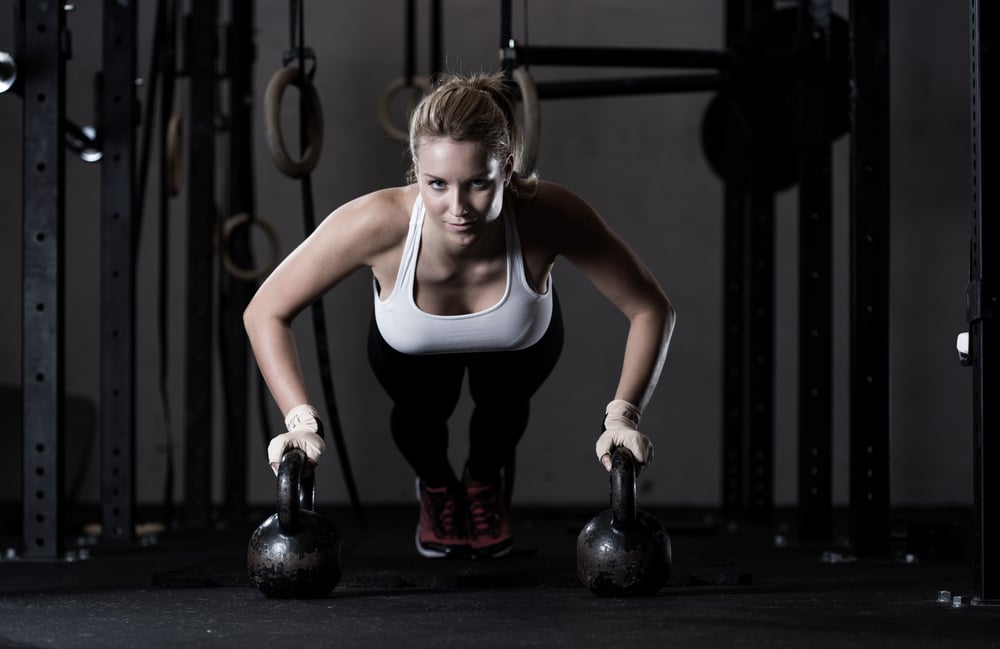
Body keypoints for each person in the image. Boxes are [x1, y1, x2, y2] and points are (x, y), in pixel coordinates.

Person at [243, 70, 675, 560]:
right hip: (410, 353)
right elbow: (265, 311)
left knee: (503, 411)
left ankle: (484, 485)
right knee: (419, 416)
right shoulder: (377, 222)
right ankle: (437, 488)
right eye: (437, 184)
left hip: (518, 348)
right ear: (416, 169)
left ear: (507, 170)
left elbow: (650, 306)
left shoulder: (547, 213)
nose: (458, 207)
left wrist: (624, 415)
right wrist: (300, 420)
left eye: (477, 184)